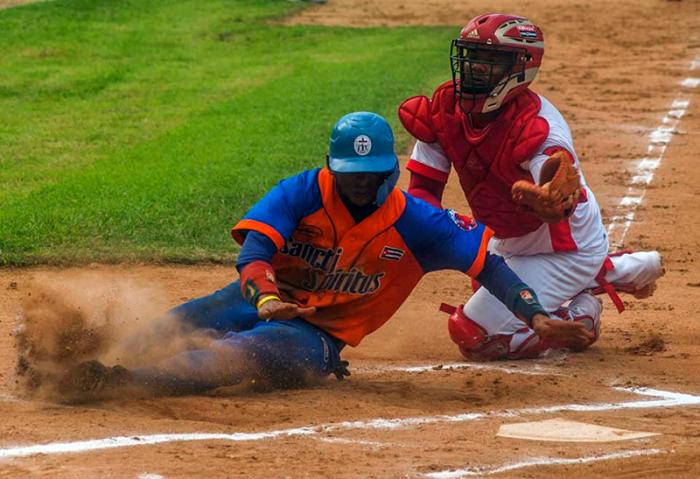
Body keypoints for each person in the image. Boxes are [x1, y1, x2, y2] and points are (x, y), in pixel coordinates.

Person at [60, 112, 592, 398]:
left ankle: (118, 384)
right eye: (350, 178)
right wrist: (265, 297)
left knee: (236, 356)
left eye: (372, 178)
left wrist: (535, 314)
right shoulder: (300, 192)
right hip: (261, 300)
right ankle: (66, 362)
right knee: (178, 325)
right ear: (331, 168)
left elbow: (491, 267)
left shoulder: (420, 223)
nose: (360, 187)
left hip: (315, 338)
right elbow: (254, 252)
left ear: (390, 172)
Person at [397, 13, 664, 360]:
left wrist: (550, 197)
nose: (473, 70)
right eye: (469, 58)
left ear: (520, 68)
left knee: (474, 335)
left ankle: (583, 312)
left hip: (565, 248)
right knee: (485, 282)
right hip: (507, 241)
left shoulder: (537, 126)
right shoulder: (444, 111)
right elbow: (423, 191)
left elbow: (557, 178)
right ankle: (613, 271)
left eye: (487, 62)